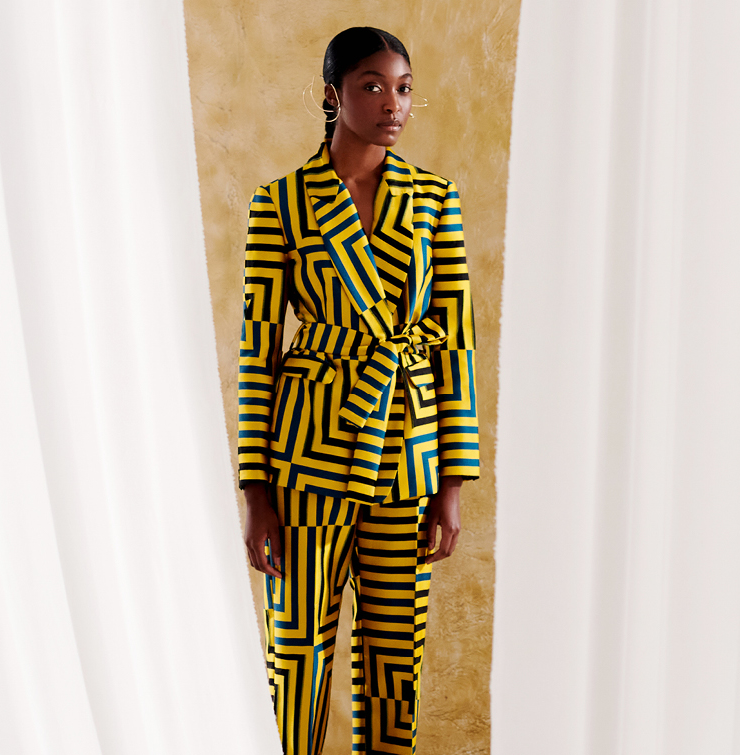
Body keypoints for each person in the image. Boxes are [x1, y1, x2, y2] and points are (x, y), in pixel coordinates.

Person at [234, 26, 480, 755]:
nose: (393, 104)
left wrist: (453, 483)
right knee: (297, 656)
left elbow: (455, 344)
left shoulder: (435, 201)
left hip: (407, 452)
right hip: (307, 455)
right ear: (332, 94)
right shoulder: (279, 204)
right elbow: (257, 350)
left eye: (404, 88)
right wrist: (255, 490)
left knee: (394, 662)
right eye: (372, 85)